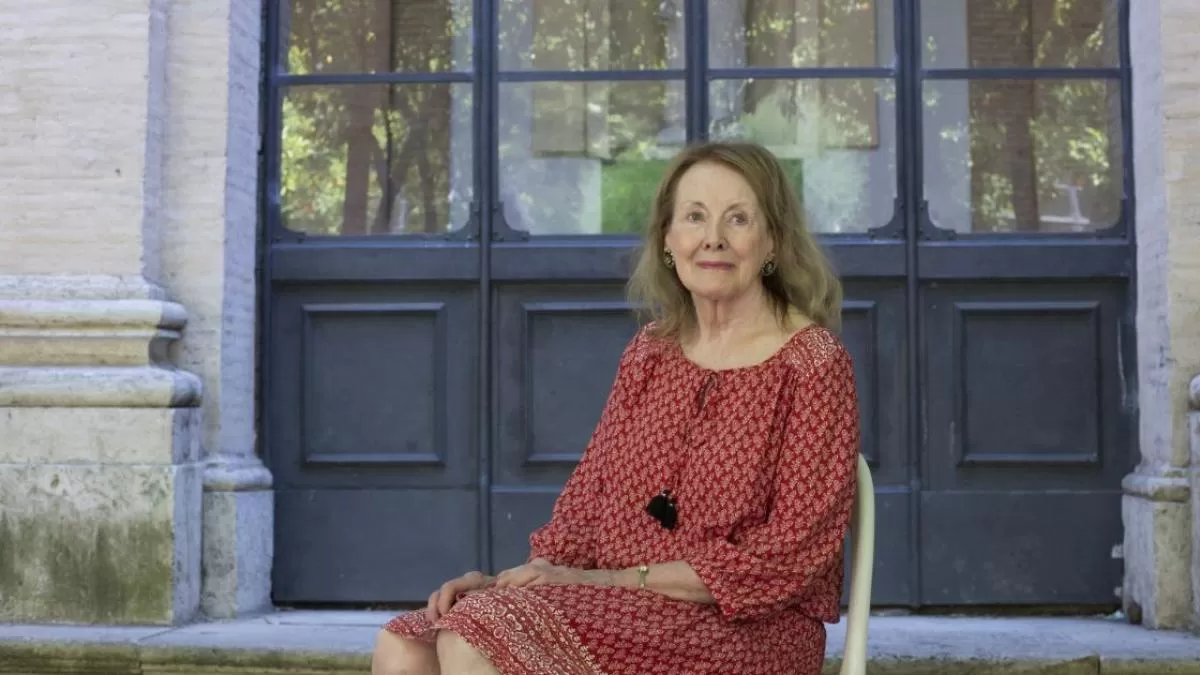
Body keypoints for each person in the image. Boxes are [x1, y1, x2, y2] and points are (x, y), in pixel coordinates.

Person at [371, 141, 860, 675]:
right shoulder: (652, 350)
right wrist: (514, 580)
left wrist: (611, 581)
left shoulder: (812, 364)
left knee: (479, 637)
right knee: (406, 643)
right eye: (694, 217)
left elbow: (786, 560)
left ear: (772, 242)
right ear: (669, 241)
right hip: (616, 609)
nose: (713, 238)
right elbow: (588, 499)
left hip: (746, 630)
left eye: (738, 219)